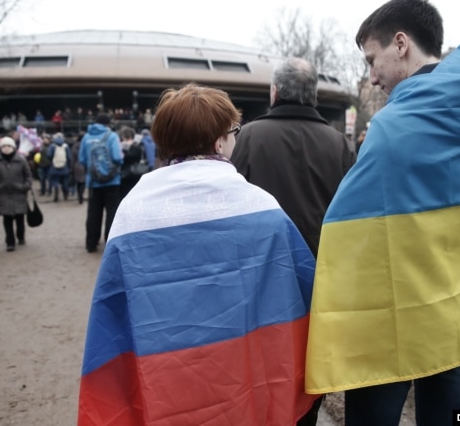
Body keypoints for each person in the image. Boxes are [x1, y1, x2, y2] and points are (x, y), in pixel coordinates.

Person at [304, 0, 460, 426]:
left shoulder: (392, 128)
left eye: (372, 59)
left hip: (397, 325)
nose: (372, 78)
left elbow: (351, 235)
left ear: (400, 43)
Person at [78, 84, 318, 425]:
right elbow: (301, 294)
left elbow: (112, 315)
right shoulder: (262, 207)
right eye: (233, 132)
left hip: (165, 385)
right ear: (220, 141)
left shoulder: (132, 212)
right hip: (244, 379)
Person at [230, 56, 354, 426]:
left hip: (260, 277)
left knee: (262, 365)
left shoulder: (249, 137)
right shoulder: (340, 145)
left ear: (275, 92)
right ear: (313, 96)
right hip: (320, 278)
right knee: (306, 366)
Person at [78, 112, 123, 253]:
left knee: (93, 214)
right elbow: (117, 158)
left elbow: (82, 159)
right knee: (111, 213)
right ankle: (109, 243)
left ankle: (91, 243)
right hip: (112, 182)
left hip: (93, 182)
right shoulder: (112, 136)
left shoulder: (86, 137)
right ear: (108, 124)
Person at [0, 136, 32, 252]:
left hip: (19, 193)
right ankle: (10, 242)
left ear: (13, 147)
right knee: (7, 219)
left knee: (20, 218)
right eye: (4, 146)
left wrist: (25, 186)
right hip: (3, 194)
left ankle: (21, 236)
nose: (6, 149)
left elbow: (28, 175)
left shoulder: (21, 160)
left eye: (9, 146)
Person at [47, 132, 71, 202]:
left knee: (55, 181)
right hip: (64, 167)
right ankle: (65, 194)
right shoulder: (66, 146)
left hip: (54, 168)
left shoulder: (52, 146)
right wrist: (68, 166)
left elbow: (49, 155)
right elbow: (69, 157)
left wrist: (52, 160)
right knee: (65, 182)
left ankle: (56, 191)